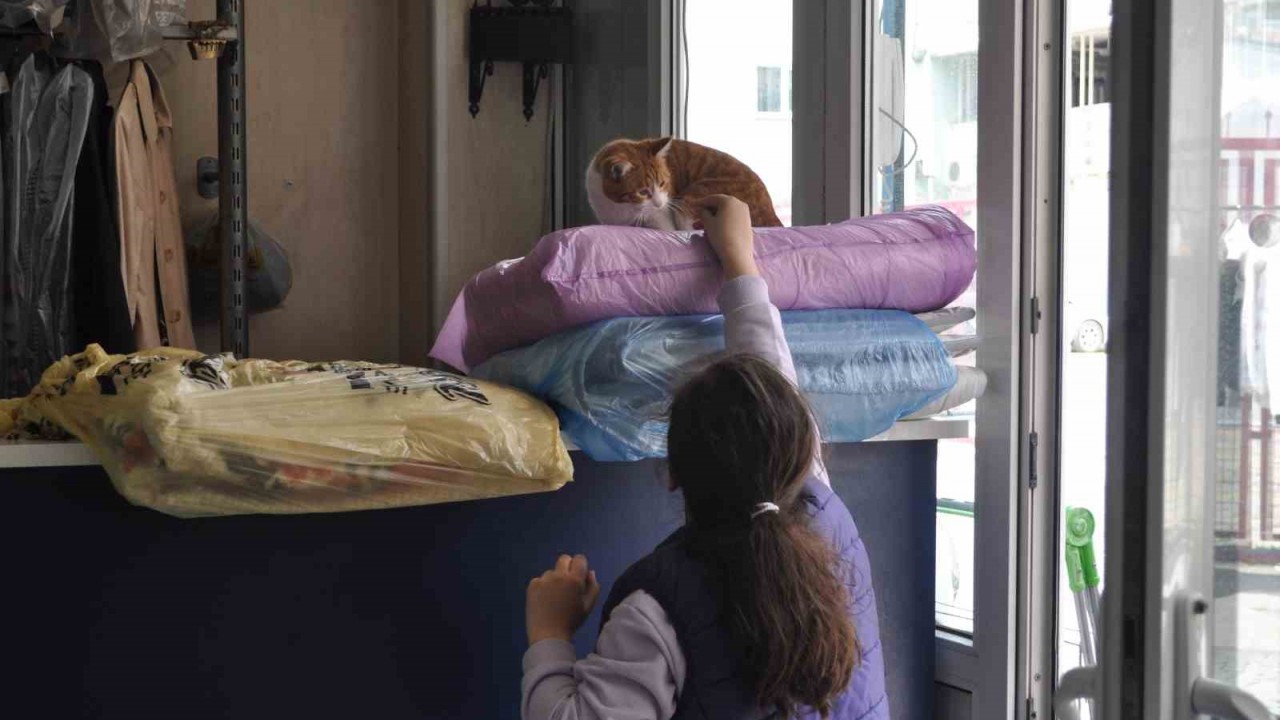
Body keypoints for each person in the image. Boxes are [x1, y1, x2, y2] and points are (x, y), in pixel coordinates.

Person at [521, 195, 888, 720]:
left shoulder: (660, 607)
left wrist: (549, 631)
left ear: (672, 474)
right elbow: (771, 385)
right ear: (798, 448)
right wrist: (739, 261)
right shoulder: (825, 518)